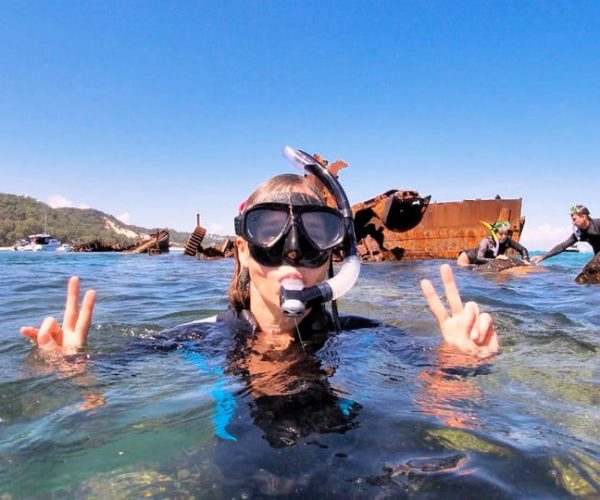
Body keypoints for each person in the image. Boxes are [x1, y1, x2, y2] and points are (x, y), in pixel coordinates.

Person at [20, 148, 499, 445]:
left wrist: (458, 366)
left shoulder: (361, 335)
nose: (293, 251)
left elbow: (447, 403)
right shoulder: (198, 338)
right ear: (244, 252)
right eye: (270, 231)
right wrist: (69, 369)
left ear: (336, 256)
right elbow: (98, 404)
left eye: (316, 234)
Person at [532, 205, 600, 265]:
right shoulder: (579, 234)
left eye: (574, 219)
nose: (573, 223)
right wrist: (543, 257)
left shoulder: (598, 224)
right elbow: (562, 246)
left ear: (583, 216)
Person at [457, 220, 530, 266]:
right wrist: (497, 260)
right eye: (501, 234)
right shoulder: (486, 241)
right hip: (467, 258)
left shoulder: (507, 241)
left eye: (506, 234)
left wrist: (526, 260)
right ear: (494, 233)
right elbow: (479, 258)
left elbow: (523, 249)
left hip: (482, 261)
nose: (504, 236)